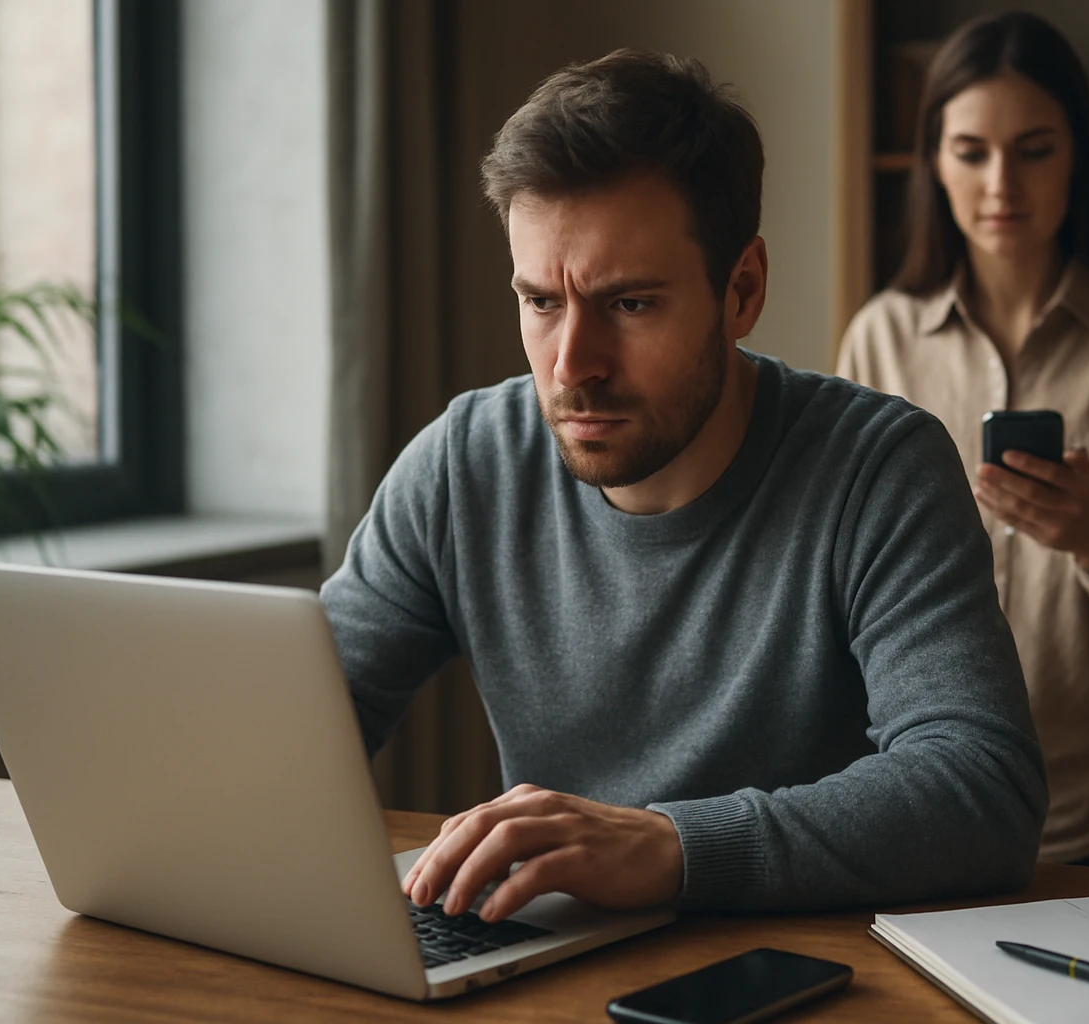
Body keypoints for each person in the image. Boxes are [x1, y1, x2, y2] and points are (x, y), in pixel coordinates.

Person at [320, 49, 1046, 922]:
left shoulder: (879, 470)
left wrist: (673, 847)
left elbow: (982, 788)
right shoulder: (462, 464)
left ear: (741, 291)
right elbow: (302, 722)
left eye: (629, 305)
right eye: (541, 302)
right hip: (542, 971)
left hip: (801, 980)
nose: (571, 366)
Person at [837, 13, 1089, 872]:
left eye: (1034, 149)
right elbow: (839, 591)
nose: (1001, 184)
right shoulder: (880, 339)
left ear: (1080, 156)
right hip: (916, 801)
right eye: (972, 150)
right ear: (935, 162)